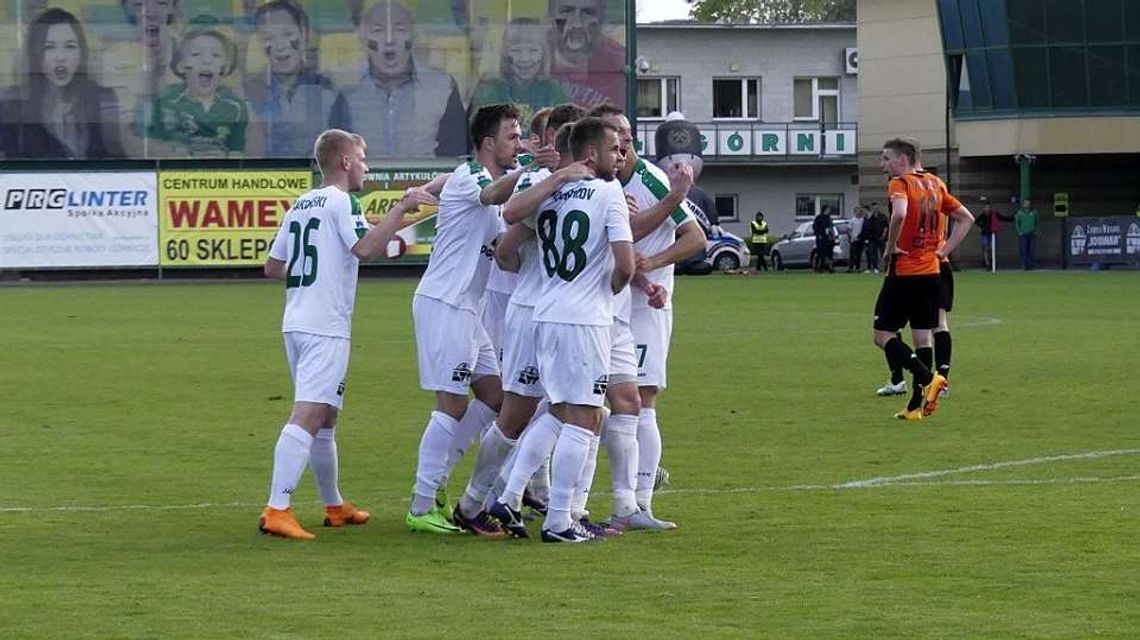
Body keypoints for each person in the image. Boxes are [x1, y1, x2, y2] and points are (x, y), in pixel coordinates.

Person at [258, 129, 437, 540]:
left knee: (325, 417)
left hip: (297, 320)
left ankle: (334, 504)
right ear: (344, 162)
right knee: (308, 414)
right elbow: (365, 249)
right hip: (324, 326)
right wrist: (401, 209)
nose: (366, 166)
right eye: (362, 158)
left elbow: (272, 266)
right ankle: (277, 507)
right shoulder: (343, 201)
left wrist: (313, 276)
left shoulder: (303, 203)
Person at [405, 103, 538, 536]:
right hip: (445, 303)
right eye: (512, 137)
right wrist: (534, 167)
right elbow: (491, 193)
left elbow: (504, 245)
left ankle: (440, 485)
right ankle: (423, 502)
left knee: (495, 397)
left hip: (466, 308)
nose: (518, 144)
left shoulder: (478, 183)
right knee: (452, 403)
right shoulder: (474, 178)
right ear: (488, 144)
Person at [513, 116, 635, 542]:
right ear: (590, 154)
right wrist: (609, 292)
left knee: (562, 411)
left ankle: (513, 497)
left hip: (546, 312)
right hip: (584, 319)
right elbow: (625, 264)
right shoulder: (609, 193)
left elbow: (510, 214)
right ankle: (560, 520)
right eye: (614, 148)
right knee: (584, 418)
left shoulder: (554, 190)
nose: (620, 157)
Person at [590, 103, 703, 529]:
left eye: (624, 136)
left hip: (645, 307)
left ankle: (642, 499)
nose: (620, 144)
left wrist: (651, 265)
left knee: (642, 400)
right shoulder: (605, 182)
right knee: (602, 402)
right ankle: (635, 479)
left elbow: (696, 238)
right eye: (612, 137)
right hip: (611, 304)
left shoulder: (653, 181)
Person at [873, 137, 973, 420]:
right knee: (922, 335)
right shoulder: (936, 184)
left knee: (882, 335)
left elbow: (900, 214)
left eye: (885, 159)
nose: (882, 166)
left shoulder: (900, 183)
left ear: (902, 160)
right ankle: (916, 405)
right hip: (932, 271)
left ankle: (926, 377)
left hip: (905, 271)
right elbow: (966, 218)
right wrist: (943, 250)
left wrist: (890, 247)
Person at [346, 1, 467, 158]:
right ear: (362, 39)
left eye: (400, 29)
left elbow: (455, 158)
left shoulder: (443, 87)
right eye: (377, 30)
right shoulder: (345, 87)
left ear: (414, 36)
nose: (389, 39)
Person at [7, 8, 123, 159]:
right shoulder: (14, 104)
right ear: (35, 53)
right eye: (49, 47)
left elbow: (116, 158)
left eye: (70, 46)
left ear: (81, 52)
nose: (60, 57)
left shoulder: (102, 99)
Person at [244, 0, 351, 158]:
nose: (280, 45)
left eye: (288, 34)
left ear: (304, 34)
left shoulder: (328, 91)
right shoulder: (249, 93)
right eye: (269, 38)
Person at [138, 25, 249, 156]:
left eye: (216, 55)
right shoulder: (165, 104)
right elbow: (152, 149)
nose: (206, 61)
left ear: (226, 67)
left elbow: (237, 150)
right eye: (196, 54)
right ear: (180, 65)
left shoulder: (236, 107)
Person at [469, 17, 570, 132]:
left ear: (544, 53)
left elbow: (564, 135)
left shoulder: (553, 91)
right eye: (516, 50)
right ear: (505, 54)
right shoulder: (489, 91)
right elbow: (481, 136)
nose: (525, 59)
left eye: (533, 50)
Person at [547, 0, 626, 108]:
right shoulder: (532, 52)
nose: (577, 24)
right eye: (567, 12)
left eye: (587, 13)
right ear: (550, 16)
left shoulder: (617, 60)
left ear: (601, 20)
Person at [1015, 198, 1038, 270]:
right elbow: (1017, 223)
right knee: (1024, 250)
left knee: (1032, 250)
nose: (1027, 204)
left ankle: (1031, 266)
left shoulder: (1034, 212)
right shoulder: (1020, 213)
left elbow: (1037, 222)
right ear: (1023, 204)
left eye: (1028, 203)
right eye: (1025, 203)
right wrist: (1019, 231)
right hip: (1023, 234)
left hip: (1032, 234)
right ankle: (1024, 266)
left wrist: (1036, 231)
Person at [812, 205, 836, 273]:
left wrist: (832, 236)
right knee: (820, 254)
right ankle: (818, 268)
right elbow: (815, 227)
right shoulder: (819, 218)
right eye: (828, 209)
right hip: (821, 238)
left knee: (829, 254)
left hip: (828, 238)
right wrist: (818, 234)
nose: (829, 211)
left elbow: (831, 227)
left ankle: (830, 268)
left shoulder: (829, 218)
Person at [847, 207, 866, 272]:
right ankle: (851, 267)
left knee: (858, 254)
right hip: (853, 239)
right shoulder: (852, 220)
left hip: (860, 240)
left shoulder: (863, 220)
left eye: (859, 211)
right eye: (857, 211)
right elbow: (849, 230)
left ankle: (858, 267)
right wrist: (851, 237)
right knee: (852, 254)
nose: (858, 213)